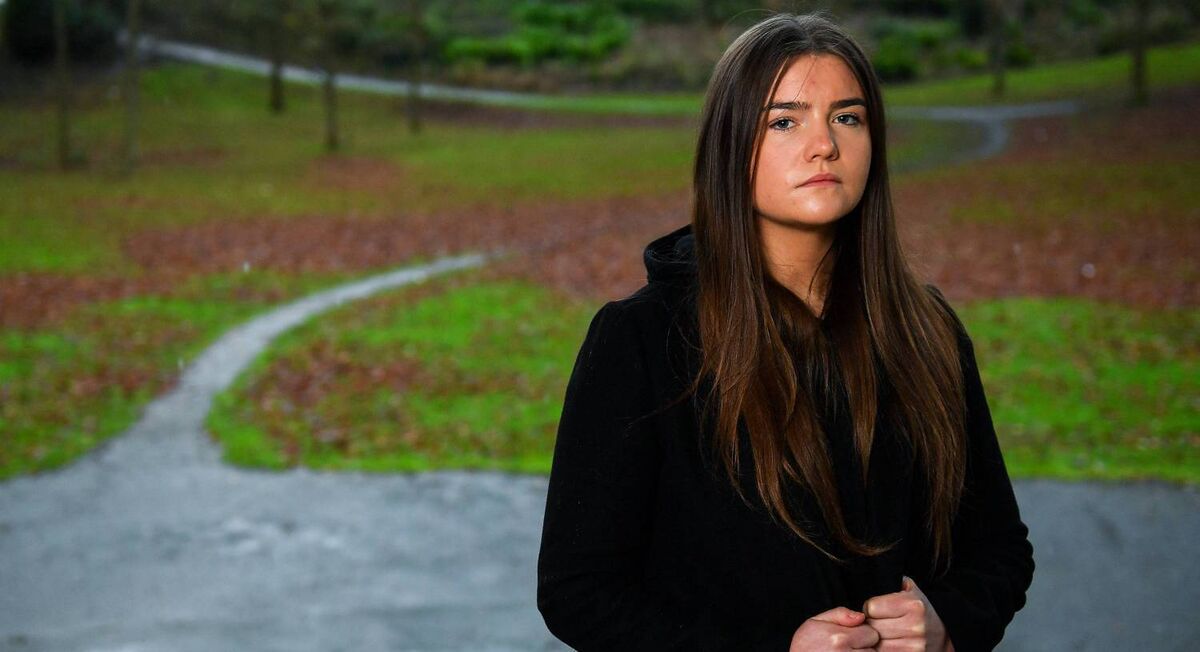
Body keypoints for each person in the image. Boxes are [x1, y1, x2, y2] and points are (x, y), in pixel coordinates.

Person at [537, 12, 1034, 652]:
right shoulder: (640, 341)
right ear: (731, 145)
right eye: (785, 121)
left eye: (847, 117)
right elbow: (579, 591)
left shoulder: (926, 330)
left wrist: (947, 622)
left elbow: (998, 548)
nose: (823, 144)